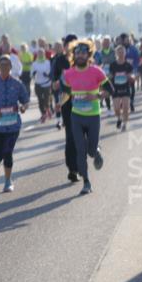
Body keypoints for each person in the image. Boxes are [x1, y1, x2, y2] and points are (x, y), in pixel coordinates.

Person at [62, 41, 112, 195]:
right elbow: (65, 92)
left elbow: (109, 90)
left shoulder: (97, 71)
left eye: (83, 53)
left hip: (93, 116)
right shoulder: (68, 73)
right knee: (80, 151)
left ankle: (95, 151)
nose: (80, 55)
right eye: (77, 53)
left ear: (89, 55)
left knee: (90, 150)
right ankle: (86, 182)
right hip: (76, 116)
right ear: (73, 55)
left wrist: (96, 95)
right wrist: (59, 101)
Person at [0, 57, 30, 193]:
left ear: (11, 68)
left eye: (7, 66)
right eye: (1, 66)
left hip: (13, 124)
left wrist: (23, 107)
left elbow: (25, 101)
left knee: (7, 152)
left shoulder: (17, 84)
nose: (4, 68)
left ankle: (8, 181)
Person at [52, 34, 80, 182]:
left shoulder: (82, 60)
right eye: (67, 45)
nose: (69, 47)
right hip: (67, 102)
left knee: (82, 135)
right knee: (70, 136)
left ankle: (81, 162)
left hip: (84, 102)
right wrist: (56, 84)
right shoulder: (59, 61)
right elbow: (55, 81)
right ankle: (72, 169)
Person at [109, 45, 135, 130]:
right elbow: (110, 76)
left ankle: (124, 124)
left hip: (125, 88)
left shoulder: (128, 65)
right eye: (119, 52)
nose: (120, 54)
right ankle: (119, 118)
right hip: (115, 88)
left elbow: (132, 75)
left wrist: (131, 77)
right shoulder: (113, 65)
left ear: (125, 53)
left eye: (122, 52)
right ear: (116, 53)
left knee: (126, 107)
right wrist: (109, 77)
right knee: (116, 108)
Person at [95, 37, 117, 116]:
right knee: (106, 91)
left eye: (107, 42)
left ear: (110, 43)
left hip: (113, 74)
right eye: (104, 43)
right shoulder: (99, 53)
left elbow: (116, 62)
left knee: (114, 90)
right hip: (103, 75)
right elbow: (97, 64)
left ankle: (116, 106)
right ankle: (108, 108)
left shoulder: (113, 52)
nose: (105, 44)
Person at [31, 48, 54, 123]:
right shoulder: (34, 63)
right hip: (38, 83)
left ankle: (48, 109)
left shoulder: (47, 62)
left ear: (44, 54)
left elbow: (50, 72)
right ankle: (44, 114)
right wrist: (33, 74)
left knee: (46, 100)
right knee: (40, 100)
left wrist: (47, 75)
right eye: (39, 53)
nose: (40, 54)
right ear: (37, 55)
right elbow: (31, 74)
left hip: (46, 83)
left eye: (42, 53)